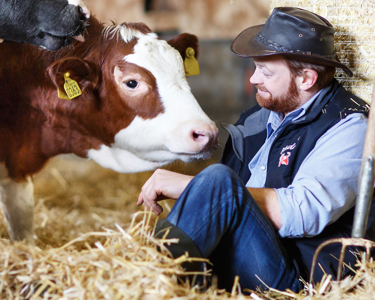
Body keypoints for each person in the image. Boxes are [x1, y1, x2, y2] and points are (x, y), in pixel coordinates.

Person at [137, 7, 375, 293]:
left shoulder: (349, 126)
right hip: (240, 258)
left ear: (306, 79)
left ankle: (146, 282)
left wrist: (198, 187)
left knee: (218, 180)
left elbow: (306, 211)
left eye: (265, 71)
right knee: (218, 182)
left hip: (295, 278)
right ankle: (147, 280)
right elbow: (232, 209)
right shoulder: (256, 119)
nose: (253, 79)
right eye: (255, 68)